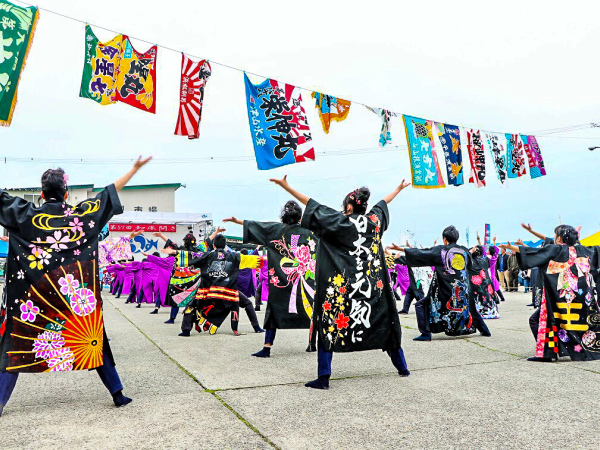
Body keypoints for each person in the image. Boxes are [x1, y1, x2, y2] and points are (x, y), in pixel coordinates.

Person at [0, 156, 151, 417]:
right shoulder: (80, 216)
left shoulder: (27, 214)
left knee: (14, 345)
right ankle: (117, 394)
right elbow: (109, 193)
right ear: (66, 193)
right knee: (94, 339)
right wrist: (134, 169)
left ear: (41, 193)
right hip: (74, 299)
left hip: (34, 302)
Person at [269, 175, 410, 390]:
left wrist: (286, 186)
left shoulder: (340, 221)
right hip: (371, 291)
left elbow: (311, 204)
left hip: (342, 290)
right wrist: (398, 189)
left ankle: (323, 377)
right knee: (384, 322)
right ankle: (402, 367)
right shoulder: (374, 221)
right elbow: (383, 203)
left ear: (349, 205)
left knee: (329, 324)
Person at [224, 200, 317, 358]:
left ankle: (267, 347)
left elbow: (257, 226)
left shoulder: (275, 229)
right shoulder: (309, 232)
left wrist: (237, 221)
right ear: (300, 216)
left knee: (273, 310)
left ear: (283, 215)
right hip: (303, 281)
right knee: (312, 311)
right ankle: (312, 343)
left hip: (280, 282)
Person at [500, 225, 600, 362]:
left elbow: (534, 253)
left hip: (560, 299)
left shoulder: (557, 249)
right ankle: (584, 349)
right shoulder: (586, 250)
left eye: (555, 235)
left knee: (541, 321)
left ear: (559, 239)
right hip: (581, 299)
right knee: (582, 323)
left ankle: (547, 353)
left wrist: (512, 248)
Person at [390, 225, 491, 341]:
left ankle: (426, 334)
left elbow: (423, 254)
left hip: (445, 289)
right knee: (470, 306)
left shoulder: (441, 250)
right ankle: (485, 330)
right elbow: (469, 266)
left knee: (421, 305)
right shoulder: (464, 251)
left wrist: (400, 254)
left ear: (445, 239)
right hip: (463, 288)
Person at [162, 234, 263, 337]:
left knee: (190, 306)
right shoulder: (234, 256)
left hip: (208, 292)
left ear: (214, 245)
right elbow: (253, 260)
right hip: (228, 293)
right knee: (248, 303)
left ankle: (186, 330)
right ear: (225, 246)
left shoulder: (207, 255)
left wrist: (175, 252)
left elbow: (191, 256)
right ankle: (257, 327)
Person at [153, 229, 223, 324]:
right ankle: (195, 318)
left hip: (180, 278)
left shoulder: (180, 249)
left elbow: (170, 243)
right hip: (194, 279)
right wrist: (216, 232)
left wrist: (161, 235)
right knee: (193, 299)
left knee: (176, 297)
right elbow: (207, 241)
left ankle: (172, 318)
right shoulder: (198, 250)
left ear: (184, 241)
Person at [470, 245, 499, 319]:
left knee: (479, 296)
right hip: (487, 282)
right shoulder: (486, 259)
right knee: (487, 296)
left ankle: (482, 311)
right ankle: (491, 310)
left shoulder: (470, 261)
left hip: (477, 284)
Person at [477, 234, 505, 302]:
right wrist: (494, 241)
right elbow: (495, 250)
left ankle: (496, 299)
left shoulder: (487, 257)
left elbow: (482, 249)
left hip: (488, 275)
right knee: (496, 288)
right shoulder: (494, 258)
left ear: (489, 251)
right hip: (493, 274)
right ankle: (502, 297)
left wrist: (479, 240)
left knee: (491, 288)